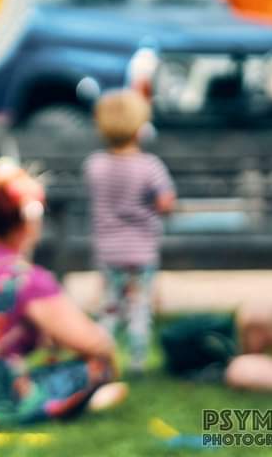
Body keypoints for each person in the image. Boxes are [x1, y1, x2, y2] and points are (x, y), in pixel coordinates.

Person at [0, 158, 124, 427]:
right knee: (97, 365)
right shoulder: (25, 278)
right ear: (27, 219)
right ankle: (64, 403)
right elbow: (93, 342)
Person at [84, 88, 176, 374]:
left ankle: (103, 358)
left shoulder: (95, 165)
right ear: (141, 128)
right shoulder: (150, 166)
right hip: (141, 249)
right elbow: (165, 202)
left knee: (110, 307)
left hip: (109, 249)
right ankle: (137, 361)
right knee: (139, 307)